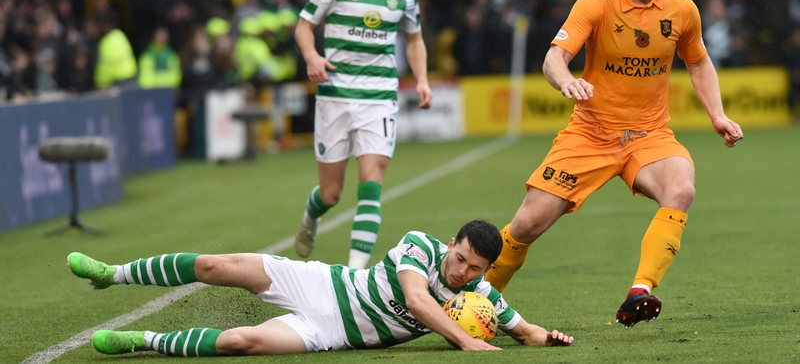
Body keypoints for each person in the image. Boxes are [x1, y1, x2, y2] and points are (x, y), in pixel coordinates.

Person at [484, 0, 744, 329]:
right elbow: (554, 58)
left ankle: (641, 289)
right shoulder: (597, 2)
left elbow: (697, 61)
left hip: (649, 135)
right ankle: (476, 298)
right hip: (591, 133)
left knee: (682, 188)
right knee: (527, 224)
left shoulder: (682, 9)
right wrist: (567, 81)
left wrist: (718, 114)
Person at [67, 220, 574, 356]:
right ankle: (112, 273)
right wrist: (464, 340)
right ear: (451, 244)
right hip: (322, 284)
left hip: (327, 333)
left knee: (239, 342)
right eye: (460, 258)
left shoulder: (479, 295)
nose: (462, 272)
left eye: (473, 269)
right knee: (215, 265)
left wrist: (544, 335)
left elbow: (521, 330)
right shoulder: (419, 245)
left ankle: (145, 342)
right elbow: (417, 299)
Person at [294, 0, 433, 269]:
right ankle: (311, 216)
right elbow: (304, 25)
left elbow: (414, 38)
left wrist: (422, 79)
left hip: (379, 97)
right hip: (335, 95)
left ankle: (355, 275)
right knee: (331, 193)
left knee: (372, 181)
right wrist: (312, 56)